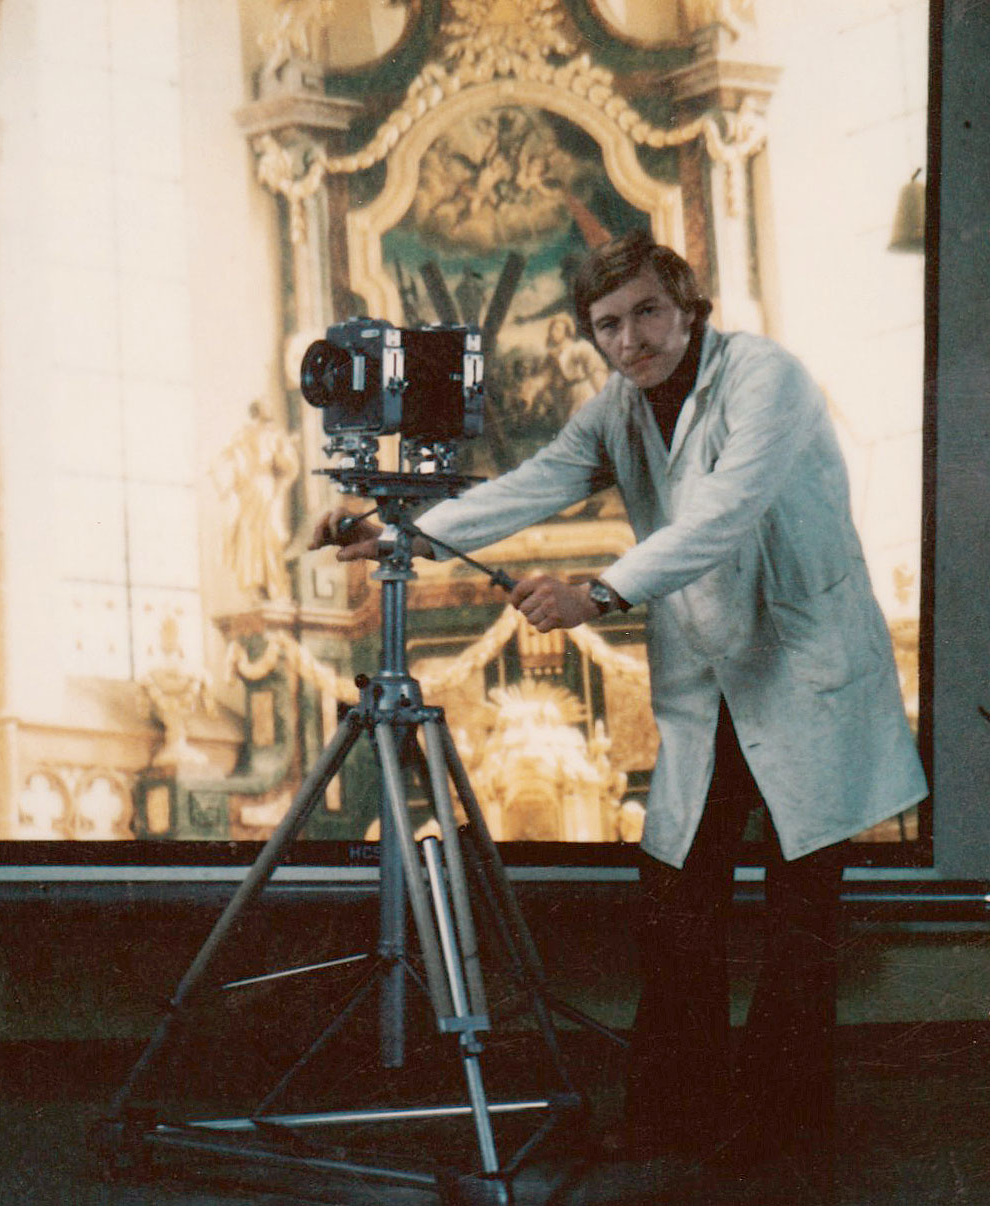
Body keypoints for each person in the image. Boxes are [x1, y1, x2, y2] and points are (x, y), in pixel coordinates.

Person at [310, 229, 928, 1184]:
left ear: (687, 308)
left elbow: (722, 516)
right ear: (591, 334)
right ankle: (671, 1121)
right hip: (710, 678)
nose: (630, 339)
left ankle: (784, 1141)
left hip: (802, 669)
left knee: (802, 917)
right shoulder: (618, 407)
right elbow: (533, 486)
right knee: (677, 903)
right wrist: (401, 533)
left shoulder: (766, 378)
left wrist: (596, 594)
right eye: (608, 324)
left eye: (647, 313)